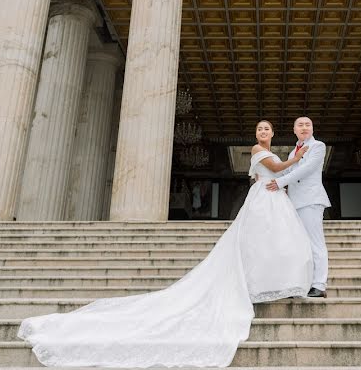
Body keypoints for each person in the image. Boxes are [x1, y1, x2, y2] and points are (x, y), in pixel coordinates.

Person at [18, 120, 313, 368]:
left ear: (273, 133)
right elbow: (279, 165)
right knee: (259, 241)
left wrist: (286, 176)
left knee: (272, 242)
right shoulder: (258, 150)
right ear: (257, 135)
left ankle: (267, 282)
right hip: (264, 198)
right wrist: (300, 155)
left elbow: (278, 172)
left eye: (267, 129)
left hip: (272, 197)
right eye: (260, 129)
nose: (263, 132)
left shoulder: (268, 151)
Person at [265, 116, 331, 298]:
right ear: (294, 130)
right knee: (300, 245)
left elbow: (306, 169)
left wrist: (280, 182)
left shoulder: (318, 146)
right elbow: (286, 169)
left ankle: (319, 285)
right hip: (294, 203)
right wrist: (264, 171)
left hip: (310, 200)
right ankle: (303, 283)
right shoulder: (293, 152)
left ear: (312, 128)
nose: (304, 128)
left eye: (307, 125)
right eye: (300, 125)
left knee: (315, 243)